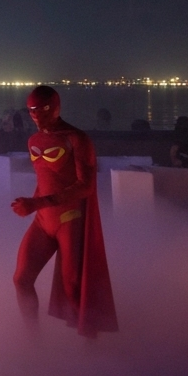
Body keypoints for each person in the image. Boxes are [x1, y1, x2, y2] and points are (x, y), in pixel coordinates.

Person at [11, 85, 117, 339]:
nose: (36, 115)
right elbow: (46, 178)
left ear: (55, 106)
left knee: (74, 287)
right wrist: (32, 202)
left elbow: (86, 186)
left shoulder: (76, 139)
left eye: (42, 109)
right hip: (44, 219)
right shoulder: (33, 140)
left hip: (69, 219)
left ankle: (90, 351)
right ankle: (33, 340)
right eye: (31, 110)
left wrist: (36, 204)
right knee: (21, 279)